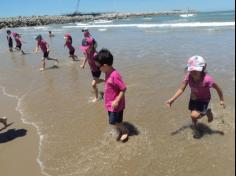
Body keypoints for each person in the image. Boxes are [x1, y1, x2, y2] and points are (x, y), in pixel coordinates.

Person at [165, 55, 226, 138]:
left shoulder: (207, 80)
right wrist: (172, 100)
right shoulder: (188, 77)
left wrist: (221, 100)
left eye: (195, 71)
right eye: (191, 70)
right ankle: (195, 127)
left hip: (204, 100)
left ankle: (207, 112)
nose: (193, 73)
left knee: (194, 115)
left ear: (203, 69)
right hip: (193, 98)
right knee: (192, 114)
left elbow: (218, 89)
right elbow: (181, 89)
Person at [94, 48, 128, 142]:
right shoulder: (107, 72)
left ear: (104, 66)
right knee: (113, 120)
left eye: (98, 67)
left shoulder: (115, 75)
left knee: (114, 121)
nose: (98, 69)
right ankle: (119, 130)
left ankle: (124, 131)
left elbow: (123, 88)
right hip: (110, 104)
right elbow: (110, 85)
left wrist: (117, 100)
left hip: (116, 105)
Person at [80, 35, 103, 102]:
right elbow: (86, 57)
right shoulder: (87, 51)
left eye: (87, 47)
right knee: (96, 81)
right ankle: (105, 80)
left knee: (93, 84)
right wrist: (83, 64)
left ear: (92, 46)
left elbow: (101, 64)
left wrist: (103, 69)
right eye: (85, 48)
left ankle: (96, 97)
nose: (85, 49)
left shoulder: (95, 54)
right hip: (92, 69)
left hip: (97, 70)